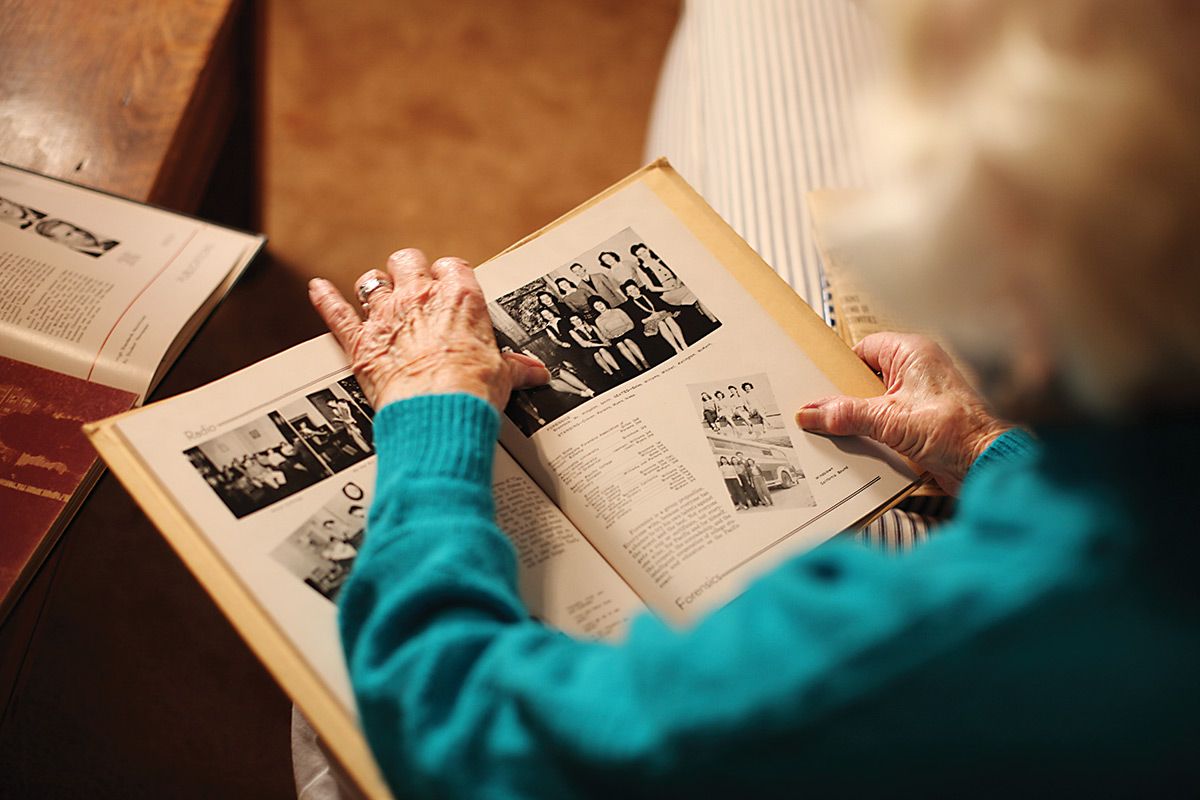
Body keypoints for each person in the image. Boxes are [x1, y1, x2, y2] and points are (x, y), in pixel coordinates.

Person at [300, 0, 1200, 794]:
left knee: (326, 697)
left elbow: (464, 731)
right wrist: (995, 451)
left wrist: (426, 409)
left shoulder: (903, 644)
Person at [630, 242, 716, 323]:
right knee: (697, 295)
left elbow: (678, 272)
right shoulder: (641, 269)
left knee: (698, 292)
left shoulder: (661, 259)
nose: (644, 255)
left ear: (648, 249)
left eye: (644, 251)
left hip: (679, 285)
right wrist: (669, 288)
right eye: (640, 254)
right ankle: (713, 319)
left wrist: (678, 283)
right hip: (667, 293)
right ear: (637, 257)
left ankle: (713, 319)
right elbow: (652, 288)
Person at [621, 279, 686, 353]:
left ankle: (683, 343)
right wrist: (650, 318)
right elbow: (639, 322)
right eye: (630, 291)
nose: (634, 291)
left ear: (638, 288)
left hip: (661, 316)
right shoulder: (630, 306)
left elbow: (663, 305)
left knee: (669, 319)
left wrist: (671, 311)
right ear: (628, 294)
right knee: (661, 323)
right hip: (650, 322)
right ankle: (676, 348)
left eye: (634, 288)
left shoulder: (648, 294)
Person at [589, 296, 648, 371]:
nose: (600, 307)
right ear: (595, 309)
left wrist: (624, 331)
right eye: (596, 306)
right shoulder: (598, 320)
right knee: (620, 345)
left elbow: (630, 323)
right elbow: (605, 334)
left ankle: (644, 362)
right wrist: (614, 336)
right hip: (615, 337)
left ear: (604, 302)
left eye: (600, 304)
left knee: (627, 341)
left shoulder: (617, 311)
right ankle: (637, 366)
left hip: (628, 332)